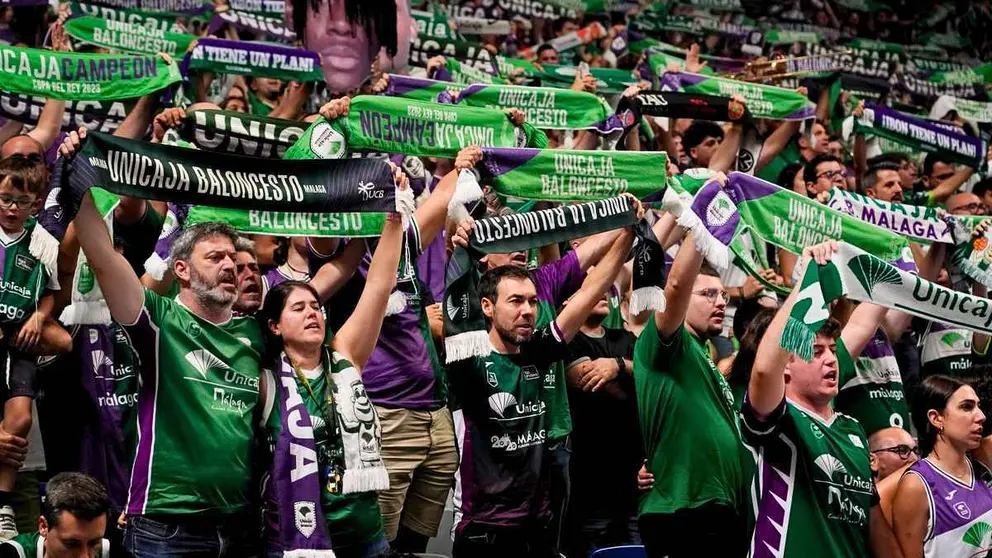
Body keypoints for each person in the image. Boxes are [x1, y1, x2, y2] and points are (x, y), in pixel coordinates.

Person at [449, 221, 636, 558]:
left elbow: (592, 290)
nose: (527, 311)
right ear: (487, 307)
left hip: (538, 521)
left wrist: (627, 233)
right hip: (485, 527)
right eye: (515, 301)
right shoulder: (468, 360)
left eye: (533, 302)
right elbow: (454, 295)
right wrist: (463, 243)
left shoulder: (539, 348)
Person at [257, 198, 404, 557]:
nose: (312, 314)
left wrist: (394, 216)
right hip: (298, 541)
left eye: (316, 307)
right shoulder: (263, 379)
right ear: (274, 326)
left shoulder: (344, 354)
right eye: (299, 308)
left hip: (366, 536)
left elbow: (378, 286)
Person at [745, 241, 903, 557]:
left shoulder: (853, 429)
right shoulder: (778, 417)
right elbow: (763, 370)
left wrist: (892, 251)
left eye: (832, 349)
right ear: (786, 365)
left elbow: (874, 523)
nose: (831, 359)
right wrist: (806, 282)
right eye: (816, 352)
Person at [634, 191, 749, 556]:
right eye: (708, 294)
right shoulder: (666, 342)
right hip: (681, 512)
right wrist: (702, 219)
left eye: (724, 296)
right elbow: (676, 286)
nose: (720, 302)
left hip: (720, 510)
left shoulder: (704, 354)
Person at [0, 155, 69, 538]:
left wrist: (40, 318)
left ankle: (2, 503)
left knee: (22, 419)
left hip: (20, 343)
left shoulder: (41, 243)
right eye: (5, 199)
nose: (12, 208)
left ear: (36, 204)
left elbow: (50, 294)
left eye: (22, 202)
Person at [562, 289, 640, 557]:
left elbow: (655, 377)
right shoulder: (567, 342)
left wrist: (618, 365)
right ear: (568, 300)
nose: (603, 292)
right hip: (589, 482)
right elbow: (593, 382)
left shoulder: (625, 338)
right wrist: (633, 373)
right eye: (592, 287)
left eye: (605, 288)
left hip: (633, 480)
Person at [891, 375, 992, 557]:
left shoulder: (981, 467)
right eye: (967, 407)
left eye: (979, 406)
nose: (981, 416)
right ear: (936, 418)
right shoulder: (917, 485)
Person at [0, 472, 110, 558]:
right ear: (43, 526)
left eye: (94, 543)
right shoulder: (13, 553)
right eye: (72, 544)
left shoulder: (109, 551)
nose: (84, 556)